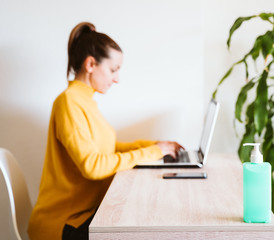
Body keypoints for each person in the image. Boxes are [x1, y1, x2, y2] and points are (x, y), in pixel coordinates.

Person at [27, 22, 183, 240]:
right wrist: (152, 152)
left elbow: (107, 149)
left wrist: (153, 146)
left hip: (85, 213)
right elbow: (93, 166)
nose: (117, 79)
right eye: (113, 70)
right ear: (91, 64)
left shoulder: (85, 101)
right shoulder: (68, 103)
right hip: (64, 222)